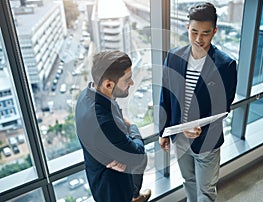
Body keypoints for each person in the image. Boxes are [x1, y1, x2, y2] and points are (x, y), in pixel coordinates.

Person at [159, 2, 237, 202]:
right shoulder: (174, 58)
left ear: (214, 32)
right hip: (180, 138)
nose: (199, 39)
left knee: (206, 191)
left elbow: (223, 107)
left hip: (207, 141)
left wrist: (199, 125)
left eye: (205, 33)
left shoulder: (225, 65)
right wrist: (164, 131)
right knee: (189, 182)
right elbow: (165, 97)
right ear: (187, 28)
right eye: (194, 32)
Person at [75, 50, 151, 202]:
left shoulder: (86, 95)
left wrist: (110, 153)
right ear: (108, 84)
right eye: (127, 79)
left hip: (100, 170)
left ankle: (136, 197)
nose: (132, 83)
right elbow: (137, 155)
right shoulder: (104, 123)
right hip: (114, 187)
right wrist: (132, 127)